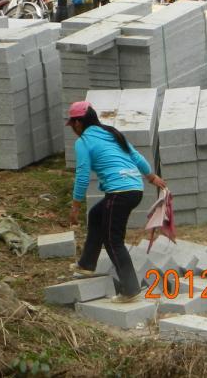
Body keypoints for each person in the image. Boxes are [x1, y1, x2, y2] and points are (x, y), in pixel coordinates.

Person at [66, 101, 167, 301]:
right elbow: (135, 156)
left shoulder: (83, 142)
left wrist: (75, 206)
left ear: (78, 123)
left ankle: (131, 290)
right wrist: (151, 176)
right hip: (134, 188)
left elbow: (82, 175)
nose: (73, 129)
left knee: (113, 240)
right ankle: (86, 264)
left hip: (119, 193)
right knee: (96, 214)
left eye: (72, 125)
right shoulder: (111, 133)